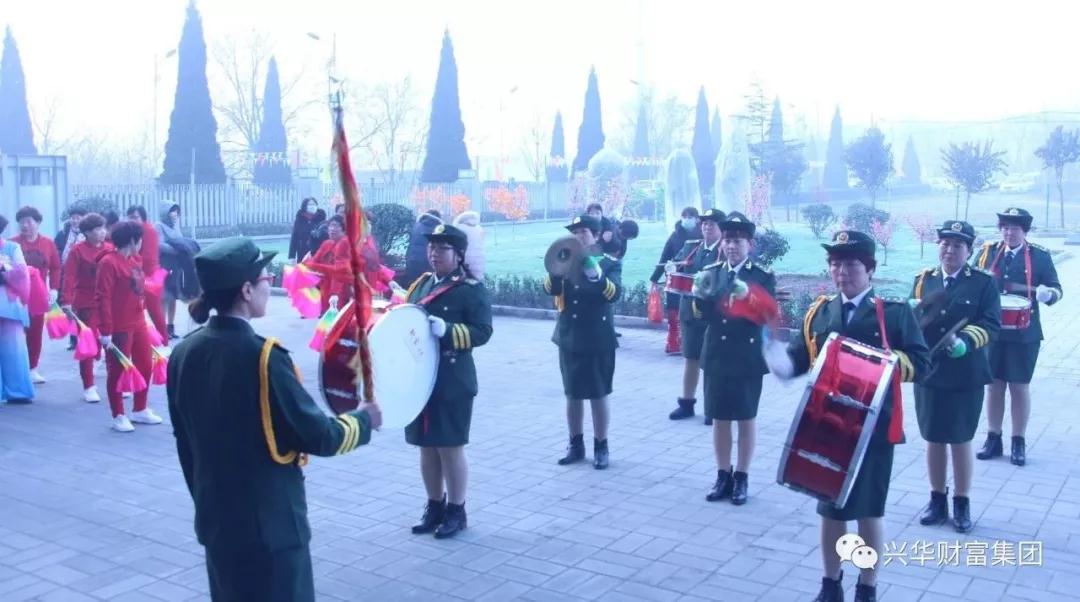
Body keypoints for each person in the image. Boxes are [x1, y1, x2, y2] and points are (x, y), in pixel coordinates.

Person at [167, 237, 382, 602]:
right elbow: (320, 436)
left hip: (217, 521)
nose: (271, 282)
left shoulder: (184, 352)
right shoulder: (264, 357)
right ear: (246, 290)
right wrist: (363, 420)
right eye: (266, 276)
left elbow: (185, 445)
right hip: (271, 529)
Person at [763, 230, 929, 602]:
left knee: (868, 512)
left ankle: (867, 586)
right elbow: (801, 360)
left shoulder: (894, 313)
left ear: (870, 269)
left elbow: (922, 363)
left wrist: (885, 364)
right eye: (835, 264)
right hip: (826, 427)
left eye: (851, 264)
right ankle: (830, 583)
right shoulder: (820, 312)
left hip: (873, 430)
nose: (842, 272)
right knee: (830, 511)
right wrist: (779, 361)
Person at [403, 224, 493, 539]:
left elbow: (483, 331)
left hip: (452, 379)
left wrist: (450, 331)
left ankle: (456, 510)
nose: (434, 253)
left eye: (443, 248)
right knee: (426, 447)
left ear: (459, 254)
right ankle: (434, 506)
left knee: (450, 447)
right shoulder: (422, 285)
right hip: (421, 379)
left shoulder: (470, 289)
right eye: (432, 247)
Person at [910, 220, 1000, 533]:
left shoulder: (983, 283)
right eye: (945, 244)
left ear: (969, 251)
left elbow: (991, 324)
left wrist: (964, 342)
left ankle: (962, 502)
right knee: (933, 437)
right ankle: (937, 500)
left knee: (960, 439)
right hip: (930, 373)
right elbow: (913, 325)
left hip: (966, 373)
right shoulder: (924, 280)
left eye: (958, 245)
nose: (949, 250)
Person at [695, 212, 776, 505]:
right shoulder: (712, 271)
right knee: (719, 417)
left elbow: (768, 315)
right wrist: (699, 296)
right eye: (728, 240)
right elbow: (702, 316)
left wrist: (749, 297)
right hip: (717, 353)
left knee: (745, 418)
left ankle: (742, 476)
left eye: (738, 241)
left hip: (746, 356)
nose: (732, 246)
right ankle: (722, 475)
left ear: (750, 244)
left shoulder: (762, 276)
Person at [972, 207, 1062, 467]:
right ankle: (993, 437)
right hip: (992, 332)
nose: (1008, 233)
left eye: (1014, 228)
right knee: (994, 385)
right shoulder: (987, 252)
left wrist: (1048, 294)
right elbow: (973, 281)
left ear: (1024, 231)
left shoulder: (1039, 256)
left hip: (1025, 334)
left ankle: (1018, 440)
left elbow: (1057, 290)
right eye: (1004, 228)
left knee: (1019, 387)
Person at [545, 214, 622, 470]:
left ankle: (601, 445)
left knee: (598, 394)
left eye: (584, 232)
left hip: (597, 337)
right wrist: (557, 268)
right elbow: (550, 289)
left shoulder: (608, 263)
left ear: (597, 236)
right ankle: (575, 444)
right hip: (570, 336)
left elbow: (614, 294)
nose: (578, 237)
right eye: (575, 233)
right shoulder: (565, 260)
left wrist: (595, 274)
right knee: (572, 394)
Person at [96, 222, 160, 432]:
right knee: (117, 370)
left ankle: (140, 408)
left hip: (138, 322)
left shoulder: (134, 260)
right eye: (140, 239)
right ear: (133, 240)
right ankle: (118, 414)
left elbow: (139, 291)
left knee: (145, 365)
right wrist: (106, 330)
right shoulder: (108, 263)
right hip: (119, 326)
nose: (141, 243)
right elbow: (103, 297)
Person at [666, 208, 722, 421]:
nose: (707, 227)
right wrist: (672, 267)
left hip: (713, 314)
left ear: (721, 228)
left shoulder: (725, 250)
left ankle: (712, 409)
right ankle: (686, 404)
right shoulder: (692, 247)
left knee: (711, 362)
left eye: (712, 224)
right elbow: (678, 265)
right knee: (690, 357)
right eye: (704, 223)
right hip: (690, 311)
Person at [61, 213, 112, 404]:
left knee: (110, 342)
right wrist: (66, 301)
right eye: (98, 229)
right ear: (87, 232)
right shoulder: (77, 251)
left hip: (107, 302)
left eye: (103, 228)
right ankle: (88, 386)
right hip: (85, 303)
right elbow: (69, 276)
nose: (102, 232)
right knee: (88, 345)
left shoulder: (110, 249)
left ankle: (117, 382)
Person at [12, 206, 61, 384]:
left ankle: (33, 368)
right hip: (16, 295)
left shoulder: (48, 243)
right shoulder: (12, 243)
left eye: (28, 221)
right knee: (15, 333)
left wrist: (54, 289)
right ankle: (16, 368)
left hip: (38, 296)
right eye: (21, 222)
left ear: (38, 222)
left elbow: (56, 267)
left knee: (35, 333)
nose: (24, 225)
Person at [650, 208, 701, 355]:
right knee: (673, 312)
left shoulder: (702, 236)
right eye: (685, 216)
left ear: (697, 219)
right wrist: (654, 278)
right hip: (675, 279)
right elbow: (664, 257)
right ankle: (673, 342)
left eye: (691, 216)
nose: (687, 219)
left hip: (694, 280)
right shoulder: (675, 236)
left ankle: (689, 342)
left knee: (692, 313)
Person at [0, 215, 35, 405]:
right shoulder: (13, 248)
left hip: (8, 303)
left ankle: (18, 391)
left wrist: (4, 271)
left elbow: (22, 273)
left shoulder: (12, 247)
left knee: (14, 348)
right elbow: (21, 273)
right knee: (14, 348)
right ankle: (17, 391)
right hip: (10, 304)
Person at [157, 201, 201, 339]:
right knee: (165, 297)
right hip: (164, 265)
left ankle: (170, 327)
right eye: (172, 211)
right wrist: (177, 250)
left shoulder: (175, 227)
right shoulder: (159, 226)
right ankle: (161, 328)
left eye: (176, 211)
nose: (175, 214)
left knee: (174, 296)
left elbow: (181, 241)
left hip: (176, 266)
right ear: (165, 212)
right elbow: (159, 245)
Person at [127, 205, 168, 342]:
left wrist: (132, 263)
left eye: (135, 217)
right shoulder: (133, 230)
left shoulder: (149, 231)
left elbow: (149, 258)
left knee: (154, 311)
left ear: (143, 218)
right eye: (130, 217)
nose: (132, 220)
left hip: (150, 277)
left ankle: (164, 342)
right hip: (140, 275)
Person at [303, 216, 350, 314]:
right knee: (327, 315)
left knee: (338, 316)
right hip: (326, 286)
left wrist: (335, 293)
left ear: (344, 229)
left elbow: (340, 271)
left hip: (340, 287)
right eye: (330, 226)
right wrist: (306, 266)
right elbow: (314, 261)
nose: (332, 229)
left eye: (335, 226)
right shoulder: (327, 244)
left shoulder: (346, 244)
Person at [56, 206, 87, 351]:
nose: (75, 220)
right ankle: (73, 338)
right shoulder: (63, 233)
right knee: (68, 308)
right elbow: (56, 250)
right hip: (66, 274)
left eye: (78, 217)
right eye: (73, 218)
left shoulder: (88, 233)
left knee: (81, 308)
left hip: (82, 276)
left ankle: (84, 336)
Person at [404, 210, 443, 283]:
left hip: (411, 259)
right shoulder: (437, 229)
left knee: (414, 285)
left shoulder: (417, 226)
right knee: (427, 285)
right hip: (427, 262)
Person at [452, 211, 486, 281]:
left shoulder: (459, 228)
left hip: (466, 260)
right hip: (480, 259)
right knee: (477, 280)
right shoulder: (479, 228)